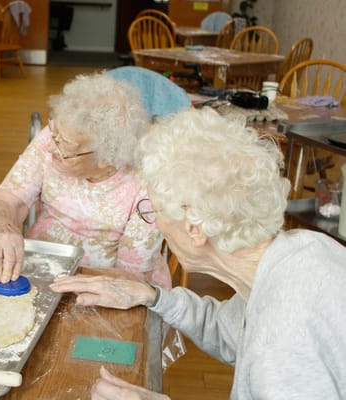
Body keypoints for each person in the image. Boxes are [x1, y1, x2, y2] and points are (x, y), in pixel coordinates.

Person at [50, 108, 346, 399]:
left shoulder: (282, 344)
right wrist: (153, 296)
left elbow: (273, 349)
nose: (157, 223)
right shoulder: (303, 249)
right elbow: (230, 332)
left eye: (155, 210)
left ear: (195, 228)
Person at [0, 71, 170, 288]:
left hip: (110, 283)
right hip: (45, 264)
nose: (51, 146)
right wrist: (0, 226)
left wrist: (66, 280)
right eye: (54, 133)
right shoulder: (58, 136)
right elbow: (6, 200)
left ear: (107, 158)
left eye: (65, 147)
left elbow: (130, 279)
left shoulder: (148, 183)